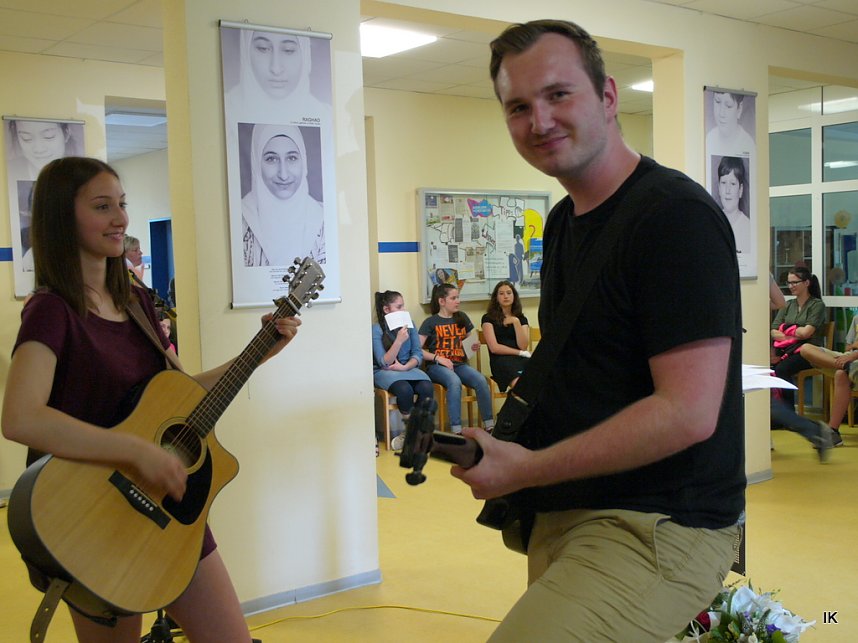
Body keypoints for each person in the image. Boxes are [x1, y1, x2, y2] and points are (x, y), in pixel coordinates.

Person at [450, 20, 744, 641]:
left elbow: (688, 412)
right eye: (519, 106)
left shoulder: (674, 219)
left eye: (559, 95)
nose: (540, 121)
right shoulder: (563, 222)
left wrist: (524, 469)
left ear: (608, 97)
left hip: (659, 525)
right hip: (567, 508)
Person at [0, 156, 300, 643]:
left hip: (169, 516)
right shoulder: (51, 311)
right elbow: (20, 418)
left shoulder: (137, 301)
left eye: (122, 204)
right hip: (93, 514)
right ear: (61, 217)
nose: (120, 219)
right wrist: (136, 451)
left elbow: (180, 398)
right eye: (102, 206)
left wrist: (258, 354)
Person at [241, 123, 325, 267]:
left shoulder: (323, 218)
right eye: (271, 159)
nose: (284, 175)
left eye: (291, 158)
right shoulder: (242, 218)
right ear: (256, 163)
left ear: (303, 161)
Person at [419, 283, 495, 434]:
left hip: (459, 364)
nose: (458, 301)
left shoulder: (462, 318)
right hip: (437, 367)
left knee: (481, 380)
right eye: (453, 298)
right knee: (454, 382)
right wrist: (438, 358)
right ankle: (457, 430)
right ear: (442, 301)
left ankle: (490, 425)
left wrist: (474, 345)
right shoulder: (430, 322)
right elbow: (417, 350)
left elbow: (472, 339)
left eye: (458, 297)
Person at [372, 290, 433, 451]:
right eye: (399, 306)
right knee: (404, 389)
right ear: (387, 310)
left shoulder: (410, 324)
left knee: (427, 387)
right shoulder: (377, 329)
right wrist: (398, 341)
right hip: (385, 372)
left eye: (403, 305)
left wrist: (405, 366)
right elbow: (383, 362)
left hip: (408, 368)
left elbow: (418, 353)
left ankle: (412, 433)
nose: (404, 309)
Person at [225, 29, 328, 121]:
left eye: (288, 50)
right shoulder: (226, 110)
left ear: (305, 54)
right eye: (263, 48)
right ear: (245, 50)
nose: (276, 68)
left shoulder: (326, 119)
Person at [798, 312, 858, 448]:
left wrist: (854, 354)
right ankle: (848, 368)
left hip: (853, 359)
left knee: (840, 375)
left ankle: (832, 432)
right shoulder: (856, 318)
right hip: (847, 360)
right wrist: (850, 355)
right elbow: (848, 347)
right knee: (806, 349)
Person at [770, 266, 826, 409]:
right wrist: (794, 330)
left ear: (806, 283)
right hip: (787, 350)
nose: (791, 286)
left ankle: (789, 414)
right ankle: (773, 412)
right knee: (770, 367)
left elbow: (807, 333)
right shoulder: (788, 304)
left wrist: (786, 329)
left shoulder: (817, 305)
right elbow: (773, 331)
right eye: (789, 283)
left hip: (809, 351)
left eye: (795, 282)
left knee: (782, 369)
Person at [480, 280, 530, 392]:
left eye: (508, 293)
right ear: (496, 298)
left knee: (540, 381)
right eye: (501, 293)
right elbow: (494, 348)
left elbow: (523, 346)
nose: (505, 296)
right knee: (521, 386)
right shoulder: (488, 318)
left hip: (521, 358)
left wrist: (516, 322)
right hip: (501, 360)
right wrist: (520, 353)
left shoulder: (521, 319)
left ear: (514, 296)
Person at [6, 120, 82, 180]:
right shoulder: (8, 170)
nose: (39, 149)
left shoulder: (82, 172)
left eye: (49, 136)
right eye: (26, 138)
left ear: (66, 133)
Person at [716, 156, 750, 254]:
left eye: (733, 184)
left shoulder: (748, 228)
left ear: (740, 189)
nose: (727, 190)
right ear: (718, 187)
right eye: (723, 183)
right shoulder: (713, 223)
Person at [705, 91, 754, 157]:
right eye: (718, 102)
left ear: (739, 108)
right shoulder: (709, 138)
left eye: (729, 106)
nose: (721, 113)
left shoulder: (748, 144)